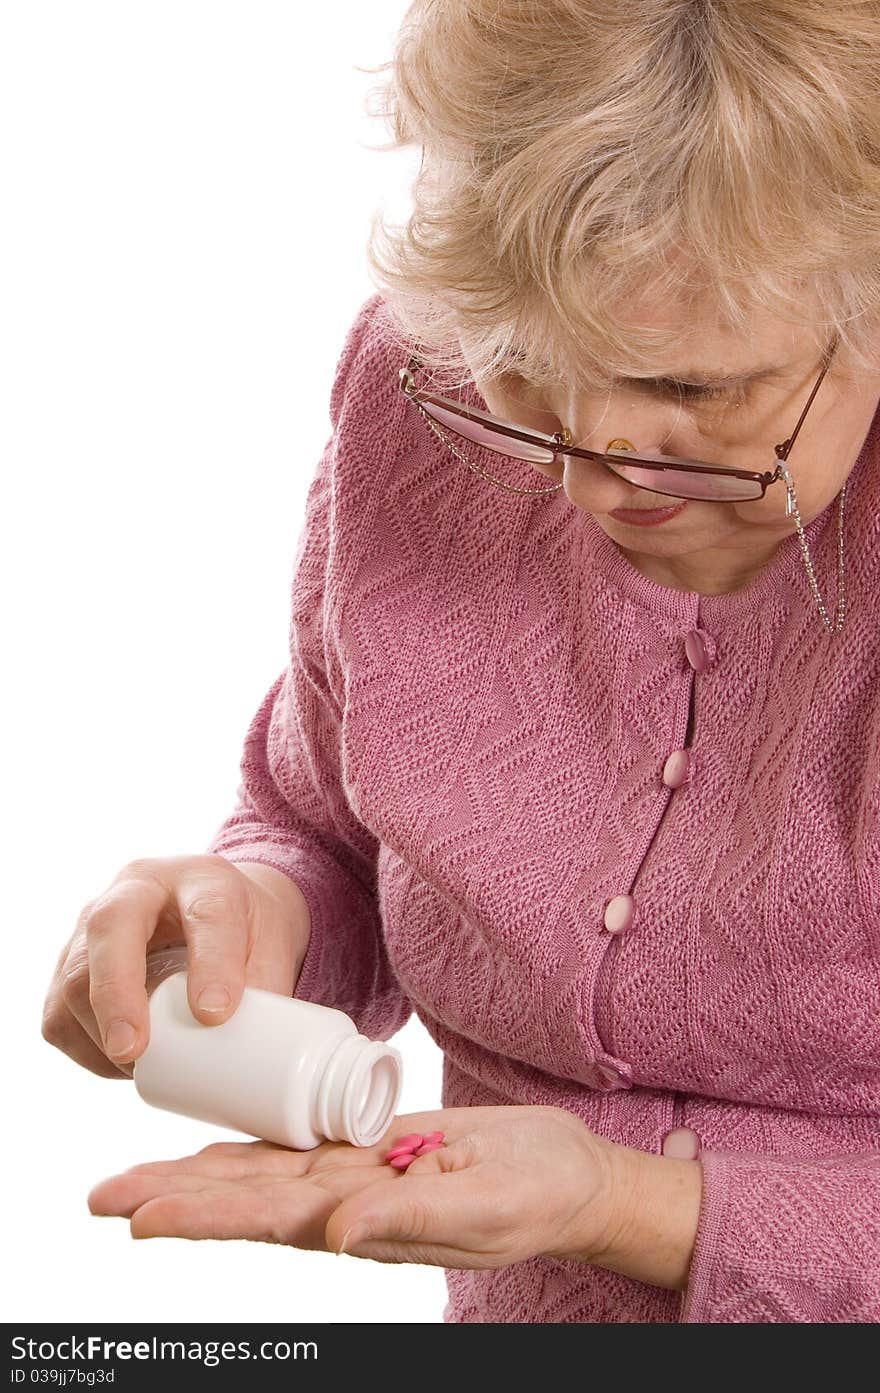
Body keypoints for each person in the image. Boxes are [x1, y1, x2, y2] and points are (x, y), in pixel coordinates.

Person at [42, 0, 880, 1322]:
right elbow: (326, 819)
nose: (598, 461)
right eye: (532, 368)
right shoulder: (412, 398)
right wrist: (255, 913)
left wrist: (624, 1203)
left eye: (700, 392)